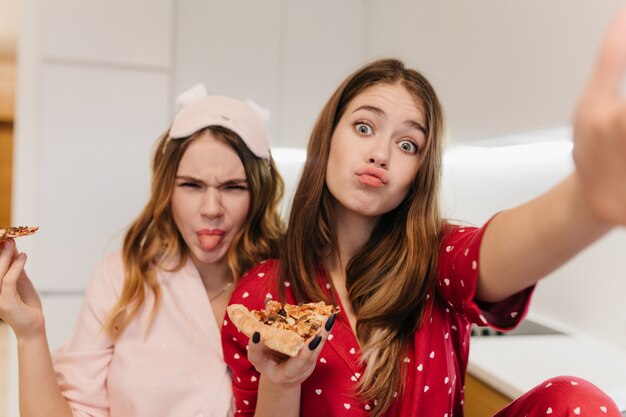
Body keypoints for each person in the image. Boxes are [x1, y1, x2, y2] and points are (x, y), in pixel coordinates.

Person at [221, 8, 626, 417]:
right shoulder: (261, 295)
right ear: (327, 139)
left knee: (576, 400)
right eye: (364, 127)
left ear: (419, 172)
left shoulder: (437, 258)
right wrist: (281, 381)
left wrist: (584, 203)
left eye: (407, 144)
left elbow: (491, 254)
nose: (380, 154)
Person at [0, 86, 285, 417]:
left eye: (233, 187)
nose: (211, 209)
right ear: (167, 188)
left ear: (259, 193)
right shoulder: (122, 275)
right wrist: (30, 334)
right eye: (192, 185)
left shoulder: (289, 284)